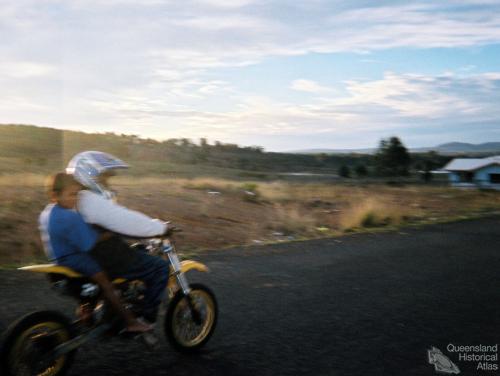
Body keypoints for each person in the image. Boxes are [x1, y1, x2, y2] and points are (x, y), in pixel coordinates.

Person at [66, 151, 172, 326]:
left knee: (139, 250)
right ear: (89, 175)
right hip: (104, 256)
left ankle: (107, 307)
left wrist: (148, 230)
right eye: (104, 178)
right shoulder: (90, 201)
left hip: (86, 253)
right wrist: (161, 228)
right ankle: (145, 318)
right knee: (160, 267)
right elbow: (125, 220)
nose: (107, 183)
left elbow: (115, 225)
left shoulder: (75, 198)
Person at [39, 172, 152, 333]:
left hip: (58, 257)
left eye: (76, 194)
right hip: (75, 258)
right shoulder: (70, 217)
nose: (75, 198)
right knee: (106, 282)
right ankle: (131, 321)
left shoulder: (48, 212)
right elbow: (91, 242)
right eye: (71, 194)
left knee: (97, 274)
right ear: (54, 195)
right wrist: (113, 231)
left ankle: (87, 310)